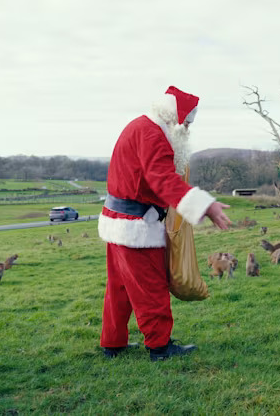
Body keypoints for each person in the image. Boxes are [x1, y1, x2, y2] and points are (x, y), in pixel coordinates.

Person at [98, 86, 231, 361]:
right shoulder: (152, 135)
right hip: (137, 227)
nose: (188, 130)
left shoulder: (140, 126)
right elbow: (162, 179)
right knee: (152, 288)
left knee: (120, 288)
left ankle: (113, 343)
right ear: (176, 118)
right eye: (187, 124)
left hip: (118, 222)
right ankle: (159, 347)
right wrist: (205, 205)